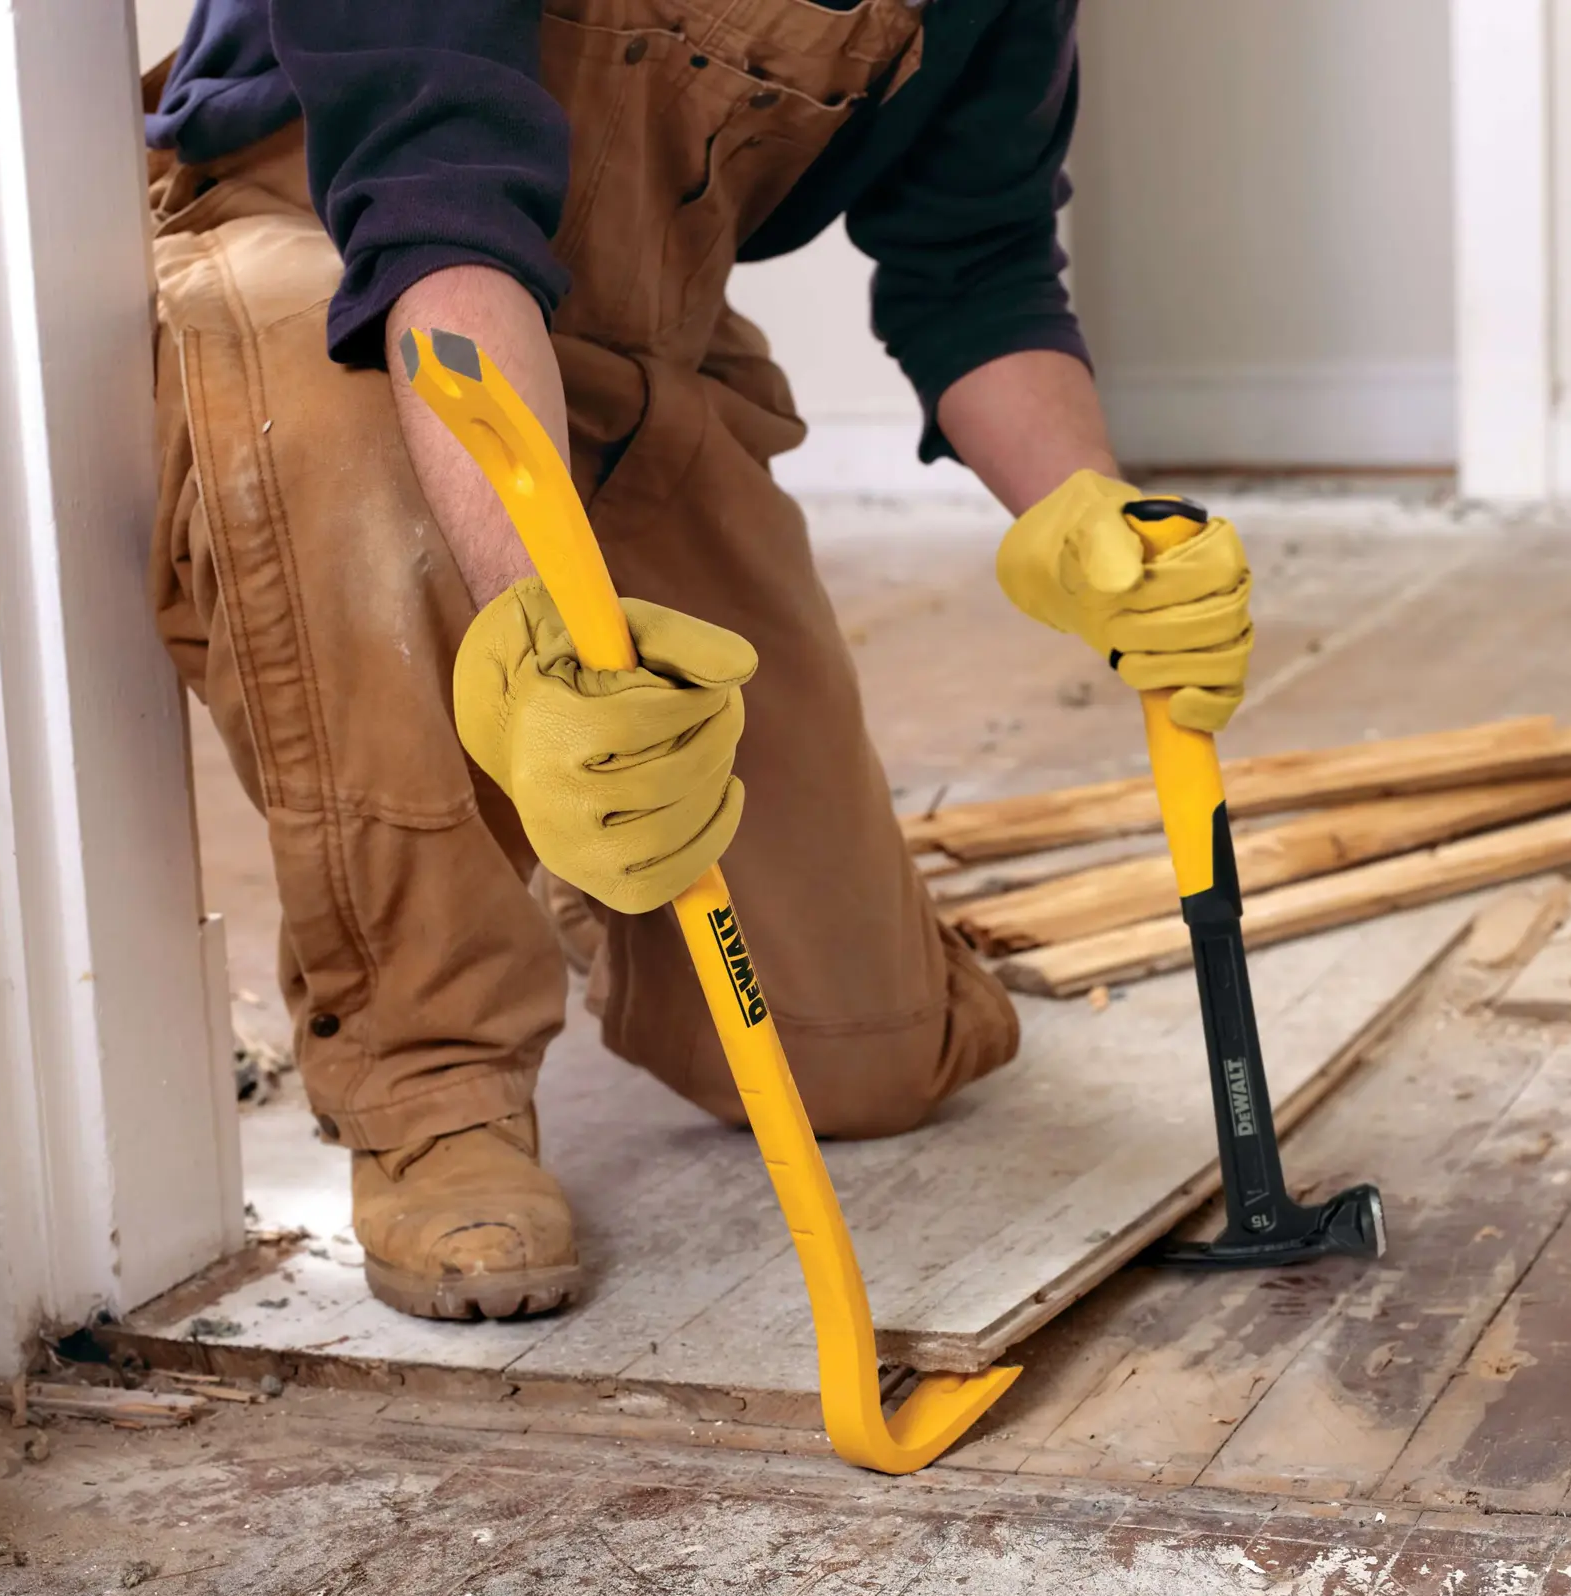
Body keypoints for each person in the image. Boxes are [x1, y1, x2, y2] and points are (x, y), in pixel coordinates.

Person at [142, 1, 1253, 1322]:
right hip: (343, 265)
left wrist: (1090, 512)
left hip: (634, 336)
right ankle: (432, 1087)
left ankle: (577, 847)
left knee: (868, 1056)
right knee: (351, 466)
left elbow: (977, 264)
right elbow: (436, 207)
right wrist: (551, 637)